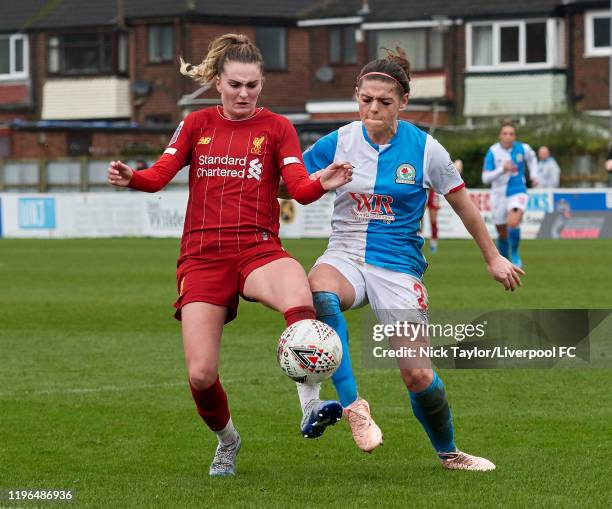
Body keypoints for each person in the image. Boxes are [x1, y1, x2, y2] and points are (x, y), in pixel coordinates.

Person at [107, 34, 352, 477]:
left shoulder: (278, 128)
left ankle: (310, 407)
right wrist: (132, 177)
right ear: (218, 82)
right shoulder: (196, 123)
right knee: (201, 374)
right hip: (202, 257)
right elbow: (160, 175)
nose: (244, 94)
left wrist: (324, 181)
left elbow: (298, 188)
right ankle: (227, 441)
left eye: (252, 85)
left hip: (257, 248)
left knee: (299, 293)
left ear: (262, 85)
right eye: (235, 84)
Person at [301, 47, 523, 471]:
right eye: (366, 100)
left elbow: (463, 205)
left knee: (418, 376)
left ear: (403, 102)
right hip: (344, 256)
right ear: (357, 96)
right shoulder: (339, 141)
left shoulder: (426, 150)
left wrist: (493, 257)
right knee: (319, 294)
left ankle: (449, 452)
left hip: (398, 269)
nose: (373, 108)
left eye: (384, 102)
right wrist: (310, 180)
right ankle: (354, 407)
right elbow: (289, 186)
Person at [482, 120, 537, 268]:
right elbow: (485, 178)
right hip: (498, 194)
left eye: (511, 134)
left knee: (513, 223)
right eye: (505, 133)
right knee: (502, 231)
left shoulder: (522, 148)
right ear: (500, 135)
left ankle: (516, 254)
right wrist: (502, 169)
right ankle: (505, 258)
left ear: (515, 136)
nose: (508, 136)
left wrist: (534, 175)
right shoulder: (493, 151)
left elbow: (532, 159)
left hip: (518, 190)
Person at [426, 159, 463, 253]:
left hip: (432, 191)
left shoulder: (438, 159)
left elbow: (458, 165)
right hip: (423, 189)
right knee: (417, 218)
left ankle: (433, 244)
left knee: (433, 220)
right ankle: (417, 240)